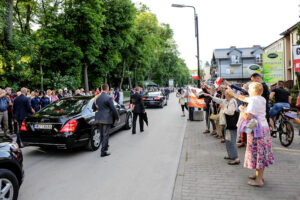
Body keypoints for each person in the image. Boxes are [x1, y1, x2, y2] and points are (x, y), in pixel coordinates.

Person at [228, 82, 274, 187]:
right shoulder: (261, 98)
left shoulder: (254, 101)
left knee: (258, 153)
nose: (248, 90)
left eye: (249, 89)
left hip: (257, 130)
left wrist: (242, 110)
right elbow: (245, 98)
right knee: (260, 153)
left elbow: (247, 117)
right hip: (263, 127)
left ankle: (259, 180)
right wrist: (234, 94)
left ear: (253, 90)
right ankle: (259, 176)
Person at [202, 90, 240, 165]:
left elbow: (231, 112)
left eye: (226, 95)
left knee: (231, 141)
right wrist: (210, 96)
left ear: (230, 95)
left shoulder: (232, 101)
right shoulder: (227, 100)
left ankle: (236, 158)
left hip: (230, 124)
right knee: (228, 141)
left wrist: (223, 108)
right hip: (226, 124)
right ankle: (231, 155)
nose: (225, 96)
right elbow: (219, 100)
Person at [92, 84, 120, 157]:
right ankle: (103, 151)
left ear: (101, 89)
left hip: (98, 118)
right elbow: (113, 109)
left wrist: (99, 111)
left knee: (102, 134)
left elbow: (93, 108)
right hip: (106, 119)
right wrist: (117, 118)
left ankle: (105, 146)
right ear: (107, 89)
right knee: (105, 135)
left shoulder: (96, 97)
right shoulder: (109, 98)